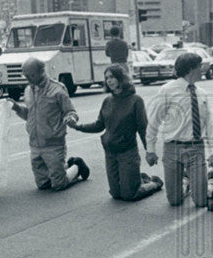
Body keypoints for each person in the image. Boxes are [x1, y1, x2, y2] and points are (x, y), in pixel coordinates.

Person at [70, 65, 163, 201]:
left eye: (112, 77)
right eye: (106, 78)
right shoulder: (108, 101)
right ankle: (137, 178)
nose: (109, 80)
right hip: (110, 152)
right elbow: (99, 125)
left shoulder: (135, 100)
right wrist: (77, 127)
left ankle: (154, 183)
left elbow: (143, 128)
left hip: (128, 153)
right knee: (115, 193)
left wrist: (150, 151)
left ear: (121, 78)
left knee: (129, 195)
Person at [146, 53, 213, 208]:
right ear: (190, 69)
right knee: (174, 200)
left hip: (196, 148)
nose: (202, 69)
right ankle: (187, 180)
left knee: (201, 201)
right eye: (199, 66)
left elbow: (209, 125)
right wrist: (150, 150)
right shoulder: (167, 90)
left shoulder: (202, 94)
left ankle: (210, 179)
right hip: (172, 149)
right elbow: (153, 121)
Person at [9, 58, 89, 191]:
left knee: (59, 184)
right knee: (43, 185)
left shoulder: (57, 90)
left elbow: (70, 111)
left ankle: (77, 167)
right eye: (25, 75)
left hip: (53, 144)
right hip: (35, 144)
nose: (28, 78)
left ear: (42, 71)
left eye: (31, 75)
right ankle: (64, 167)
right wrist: (17, 108)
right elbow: (29, 116)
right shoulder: (28, 90)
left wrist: (70, 118)